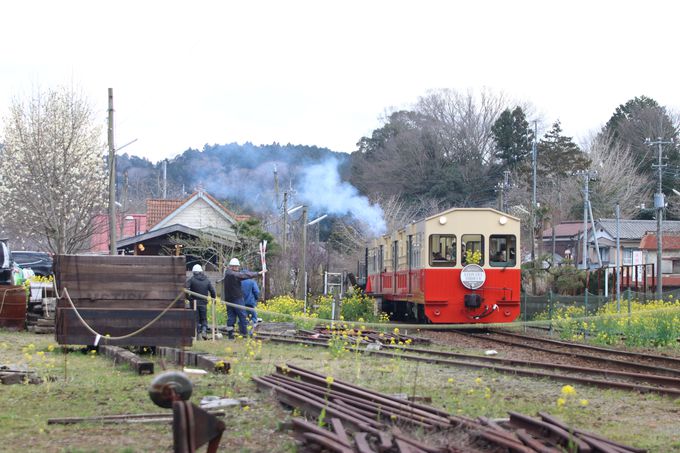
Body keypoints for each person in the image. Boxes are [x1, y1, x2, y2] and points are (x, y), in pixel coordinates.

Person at [222, 258, 261, 339]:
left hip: (228, 300)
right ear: (232, 267)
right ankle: (245, 335)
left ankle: (231, 336)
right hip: (237, 299)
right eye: (236, 267)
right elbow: (243, 275)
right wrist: (257, 273)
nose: (237, 268)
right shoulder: (233, 274)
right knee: (243, 317)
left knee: (231, 318)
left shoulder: (227, 273)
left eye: (237, 267)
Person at [186, 264, 216, 340]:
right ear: (201, 272)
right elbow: (212, 291)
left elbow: (185, 288)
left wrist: (189, 298)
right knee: (204, 319)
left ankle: (198, 334)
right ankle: (204, 331)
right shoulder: (206, 280)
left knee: (196, 319)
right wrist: (213, 299)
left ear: (194, 272)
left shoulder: (192, 279)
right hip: (203, 303)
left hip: (194, 302)